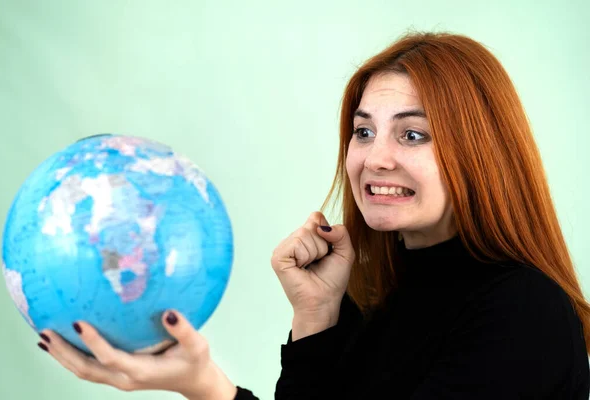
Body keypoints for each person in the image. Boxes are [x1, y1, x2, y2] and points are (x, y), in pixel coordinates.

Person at [36, 31, 590, 399]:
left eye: (413, 134)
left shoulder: (525, 311)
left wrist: (206, 384)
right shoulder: (372, 296)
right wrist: (314, 319)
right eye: (364, 130)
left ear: (482, 151)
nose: (376, 158)